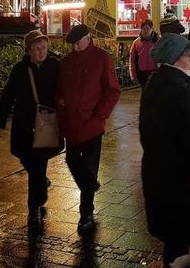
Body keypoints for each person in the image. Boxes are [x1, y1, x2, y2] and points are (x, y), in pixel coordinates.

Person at [139, 33, 190, 265]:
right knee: (179, 243)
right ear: (175, 59)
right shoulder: (182, 91)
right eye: (189, 57)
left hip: (158, 176)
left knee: (173, 242)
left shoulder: (156, 82)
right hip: (178, 183)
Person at [0, 30, 62, 235]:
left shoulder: (56, 66)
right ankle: (41, 184)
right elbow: (8, 95)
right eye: (36, 49)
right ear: (28, 51)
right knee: (27, 160)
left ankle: (33, 208)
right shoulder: (20, 70)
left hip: (46, 125)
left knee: (37, 165)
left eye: (43, 48)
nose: (41, 52)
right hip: (24, 126)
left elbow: (66, 89)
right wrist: (0, 121)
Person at [58, 24, 120, 232]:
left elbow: (112, 90)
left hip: (92, 124)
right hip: (72, 123)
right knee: (73, 161)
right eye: (73, 45)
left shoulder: (102, 58)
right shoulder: (66, 62)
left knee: (90, 166)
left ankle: (86, 213)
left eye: (78, 43)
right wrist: (60, 101)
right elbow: (59, 88)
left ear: (88, 38)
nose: (75, 48)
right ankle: (91, 186)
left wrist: (100, 114)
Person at [130, 19, 159, 88]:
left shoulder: (158, 41)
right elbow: (132, 60)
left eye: (147, 28)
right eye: (143, 29)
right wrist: (133, 75)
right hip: (142, 73)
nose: (145, 31)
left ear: (152, 29)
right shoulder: (136, 43)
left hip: (155, 73)